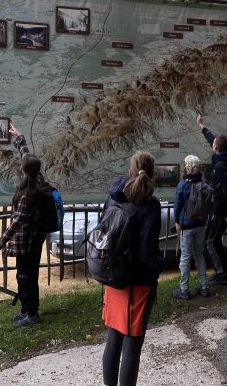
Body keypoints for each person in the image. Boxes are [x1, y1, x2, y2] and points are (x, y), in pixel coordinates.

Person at [101, 151, 164, 386]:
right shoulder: (150, 205)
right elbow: (148, 253)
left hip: (113, 277)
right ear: (152, 173)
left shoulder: (113, 198)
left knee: (113, 340)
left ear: (131, 169)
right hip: (139, 283)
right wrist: (160, 264)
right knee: (132, 347)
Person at [0, 123, 53, 327]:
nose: (20, 165)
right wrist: (20, 138)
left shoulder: (28, 195)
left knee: (27, 276)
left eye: (22, 165)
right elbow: (27, 156)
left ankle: (32, 314)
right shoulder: (38, 180)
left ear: (24, 170)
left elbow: (15, 224)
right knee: (24, 274)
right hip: (34, 238)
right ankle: (26, 309)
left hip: (28, 241)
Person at [196, 113, 227, 286]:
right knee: (214, 240)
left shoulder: (220, 166)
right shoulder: (226, 156)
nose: (212, 144)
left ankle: (223, 274)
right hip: (219, 208)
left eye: (213, 144)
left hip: (220, 209)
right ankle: (224, 270)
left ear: (216, 148)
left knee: (210, 241)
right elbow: (213, 140)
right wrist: (202, 127)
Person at [172, 154, 210, 299]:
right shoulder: (204, 182)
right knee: (199, 255)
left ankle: (184, 290)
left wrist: (177, 221)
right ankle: (204, 287)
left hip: (187, 226)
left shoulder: (183, 185)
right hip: (201, 224)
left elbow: (177, 206)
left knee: (185, 257)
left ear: (187, 167)